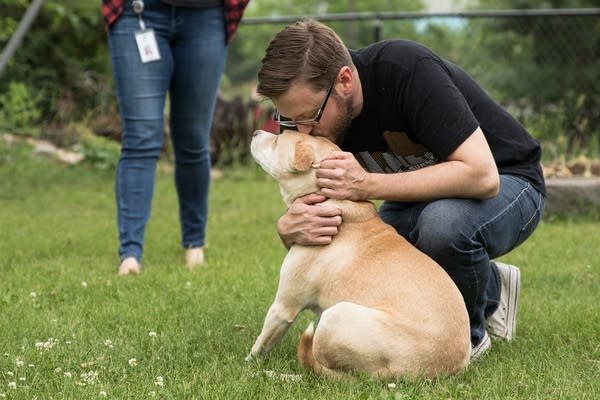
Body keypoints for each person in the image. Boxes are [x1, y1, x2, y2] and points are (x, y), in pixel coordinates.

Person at [256, 19, 545, 359]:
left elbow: (482, 176)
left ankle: (471, 334)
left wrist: (367, 183)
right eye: (290, 120)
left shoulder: (406, 70)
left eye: (310, 117)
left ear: (344, 82)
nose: (303, 130)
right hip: (421, 195)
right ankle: (491, 285)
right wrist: (288, 226)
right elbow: (302, 186)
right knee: (376, 259)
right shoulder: (309, 107)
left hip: (511, 181)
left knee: (442, 226)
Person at [101, 0, 249, 275]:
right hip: (138, 13)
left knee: (193, 139)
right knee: (141, 136)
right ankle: (130, 254)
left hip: (206, 16)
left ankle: (194, 244)